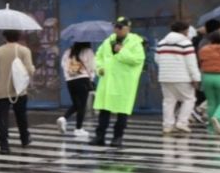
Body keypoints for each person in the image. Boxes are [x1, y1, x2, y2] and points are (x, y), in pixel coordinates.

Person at [92, 16, 145, 148]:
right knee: (104, 109)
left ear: (128, 28)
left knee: (122, 111)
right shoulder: (107, 41)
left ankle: (118, 137)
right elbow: (98, 57)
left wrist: (122, 51)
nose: (117, 29)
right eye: (116, 26)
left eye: (121, 27)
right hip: (108, 81)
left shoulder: (134, 43)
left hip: (124, 82)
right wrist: (100, 68)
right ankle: (100, 136)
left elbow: (137, 60)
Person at [0, 30, 35, 155]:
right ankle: (24, 139)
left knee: (2, 117)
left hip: (1, 88)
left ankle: (4, 145)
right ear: (18, 37)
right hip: (19, 89)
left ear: (4, 36)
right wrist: (33, 68)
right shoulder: (24, 51)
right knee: (21, 115)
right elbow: (30, 70)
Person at [155, 21, 201, 136]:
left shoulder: (161, 43)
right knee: (189, 99)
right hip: (182, 77)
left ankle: (167, 126)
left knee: (168, 101)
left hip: (165, 77)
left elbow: (157, 59)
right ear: (184, 30)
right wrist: (196, 78)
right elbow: (191, 63)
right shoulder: (186, 43)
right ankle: (182, 122)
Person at [58, 41, 96, 137]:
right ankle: (78, 128)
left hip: (70, 81)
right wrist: (91, 79)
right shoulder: (88, 51)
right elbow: (92, 66)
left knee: (76, 104)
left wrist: (68, 77)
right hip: (83, 79)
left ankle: (64, 118)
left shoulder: (68, 51)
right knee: (82, 105)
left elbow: (63, 65)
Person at [198, 30, 220, 135]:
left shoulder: (204, 49)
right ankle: (217, 117)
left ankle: (211, 129)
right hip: (219, 76)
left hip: (207, 77)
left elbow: (201, 62)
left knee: (211, 103)